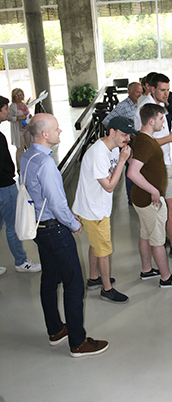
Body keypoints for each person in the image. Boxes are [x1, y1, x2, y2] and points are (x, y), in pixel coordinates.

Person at [20, 113, 108, 357]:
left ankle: (56, 329)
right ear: (45, 134)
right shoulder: (46, 164)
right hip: (55, 229)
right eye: (57, 129)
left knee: (49, 279)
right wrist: (73, 224)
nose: (61, 132)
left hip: (39, 228)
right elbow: (58, 204)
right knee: (74, 285)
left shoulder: (27, 156)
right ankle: (78, 342)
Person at [134, 73, 172, 260]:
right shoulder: (147, 107)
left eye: (168, 90)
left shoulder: (156, 105)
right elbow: (147, 141)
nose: (166, 93)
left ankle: (168, 239)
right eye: (162, 90)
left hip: (163, 161)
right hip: (160, 164)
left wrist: (170, 137)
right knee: (171, 206)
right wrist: (170, 138)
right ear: (151, 88)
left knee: (167, 207)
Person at [72, 116, 134, 303]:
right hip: (94, 210)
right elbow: (109, 186)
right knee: (104, 250)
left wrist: (124, 156)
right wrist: (123, 161)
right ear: (112, 132)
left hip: (95, 206)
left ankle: (93, 278)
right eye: (124, 134)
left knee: (95, 244)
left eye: (129, 135)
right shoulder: (99, 154)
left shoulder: (113, 148)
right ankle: (106, 289)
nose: (128, 139)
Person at [128, 103, 172, 288]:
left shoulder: (141, 137)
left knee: (145, 235)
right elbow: (132, 172)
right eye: (161, 119)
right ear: (152, 120)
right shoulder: (146, 142)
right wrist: (154, 190)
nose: (164, 122)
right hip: (149, 200)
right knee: (157, 240)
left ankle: (147, 270)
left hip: (141, 198)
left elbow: (131, 158)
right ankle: (166, 277)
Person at [0, 95, 41, 274]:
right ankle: (21, 261)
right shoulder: (0, 138)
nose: (8, 111)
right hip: (5, 187)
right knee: (13, 226)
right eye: (5, 109)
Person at [102, 82, 143, 205]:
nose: (140, 94)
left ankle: (137, 194)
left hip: (137, 141)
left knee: (137, 167)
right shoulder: (123, 106)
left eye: (141, 92)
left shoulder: (139, 104)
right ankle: (131, 197)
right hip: (127, 142)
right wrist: (119, 138)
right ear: (129, 92)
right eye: (137, 92)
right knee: (130, 168)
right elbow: (106, 121)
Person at [8, 88, 32, 172]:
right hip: (19, 131)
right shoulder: (12, 106)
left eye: (21, 94)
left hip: (26, 129)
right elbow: (9, 117)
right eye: (17, 95)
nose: (19, 96)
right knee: (20, 149)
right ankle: (20, 168)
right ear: (14, 97)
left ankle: (29, 163)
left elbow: (26, 115)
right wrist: (18, 118)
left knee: (30, 146)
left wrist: (29, 117)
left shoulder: (24, 105)